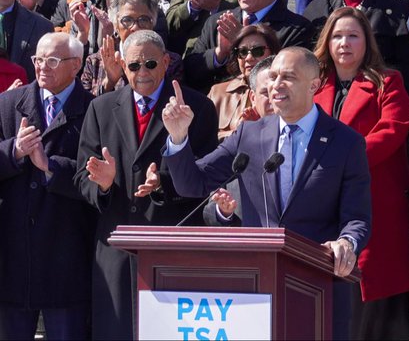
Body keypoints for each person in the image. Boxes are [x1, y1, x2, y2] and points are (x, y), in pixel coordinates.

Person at [160, 46, 370, 341]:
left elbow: (357, 217)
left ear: (314, 85)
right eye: (272, 77)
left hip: (319, 286)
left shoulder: (346, 143)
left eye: (288, 77)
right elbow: (192, 183)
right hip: (258, 287)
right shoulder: (249, 133)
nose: (276, 85)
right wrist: (179, 137)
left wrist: (347, 242)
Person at [75, 29, 218, 341]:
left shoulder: (198, 108)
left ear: (166, 62)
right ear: (123, 66)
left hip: (171, 246)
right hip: (116, 249)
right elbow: (81, 176)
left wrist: (163, 184)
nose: (142, 72)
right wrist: (102, 184)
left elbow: (206, 178)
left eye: (150, 64)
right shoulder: (101, 107)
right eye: (134, 65)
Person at [313, 8, 409, 339]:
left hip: (375, 204)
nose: (344, 42)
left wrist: (344, 161)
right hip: (323, 203)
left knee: (374, 304)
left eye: (353, 35)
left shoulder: (388, 81)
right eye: (337, 36)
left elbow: (392, 130)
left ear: (366, 42)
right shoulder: (311, 85)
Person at [0, 32, 94, 341]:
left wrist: (49, 166)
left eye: (52, 60)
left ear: (76, 65)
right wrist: (14, 151)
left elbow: (95, 177)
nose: (42, 67)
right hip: (15, 258)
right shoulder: (8, 104)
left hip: (66, 256)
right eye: (38, 60)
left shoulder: (94, 109)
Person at [184, 0, 314, 91]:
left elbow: (290, 77)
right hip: (219, 108)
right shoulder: (217, 22)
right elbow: (189, 71)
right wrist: (219, 54)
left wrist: (244, 42)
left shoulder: (298, 29)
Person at [77, 0, 183, 97]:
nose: (135, 27)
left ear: (153, 23)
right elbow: (88, 110)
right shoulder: (95, 62)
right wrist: (109, 82)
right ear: (116, 24)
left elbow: (173, 103)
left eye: (143, 20)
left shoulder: (169, 62)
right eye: (127, 20)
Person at [207, 23, 280, 139]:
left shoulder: (282, 91)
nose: (249, 58)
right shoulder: (217, 92)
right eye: (243, 52)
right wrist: (238, 133)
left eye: (257, 51)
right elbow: (202, 140)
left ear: (273, 53)